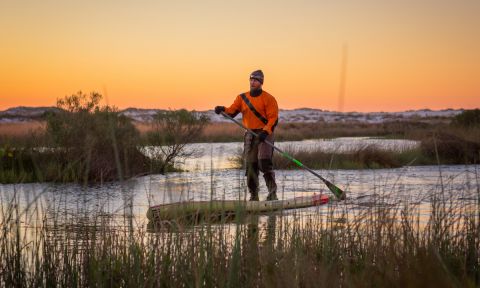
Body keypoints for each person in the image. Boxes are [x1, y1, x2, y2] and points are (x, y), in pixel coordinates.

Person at [214, 70, 279, 201]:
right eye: (251, 80)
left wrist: (265, 132)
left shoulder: (269, 98)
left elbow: (273, 119)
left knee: (264, 162)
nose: (253, 82)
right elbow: (232, 111)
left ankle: (272, 193)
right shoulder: (242, 98)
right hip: (250, 134)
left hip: (265, 134)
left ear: (261, 83)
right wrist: (222, 109)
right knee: (251, 165)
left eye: (256, 80)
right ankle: (253, 195)